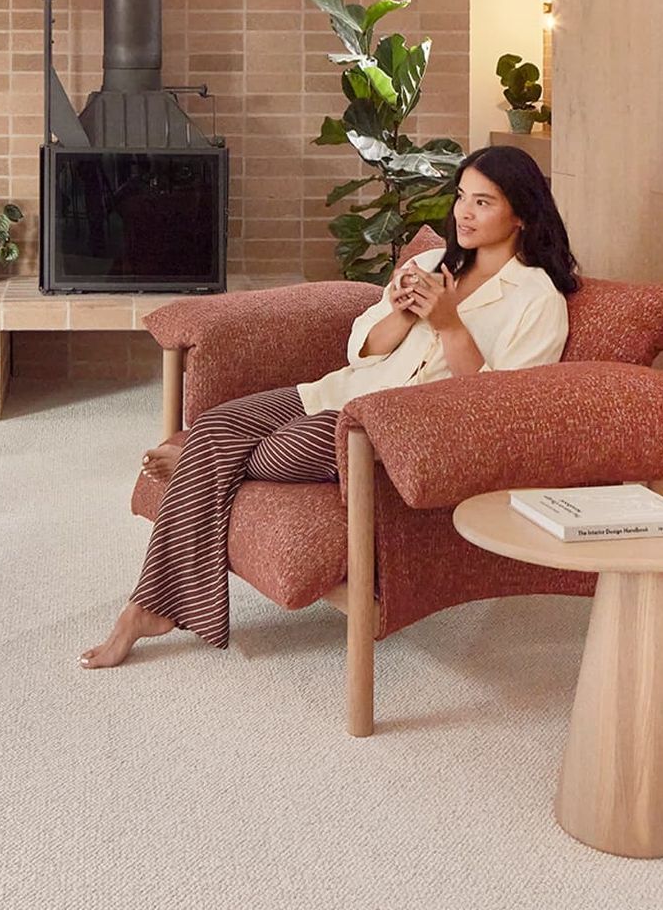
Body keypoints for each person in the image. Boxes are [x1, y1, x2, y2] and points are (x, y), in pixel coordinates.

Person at [81, 145, 582, 669]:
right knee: (217, 424)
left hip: (390, 429)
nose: (463, 213)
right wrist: (404, 315)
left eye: (483, 202)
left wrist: (450, 323)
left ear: (521, 213)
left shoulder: (538, 301)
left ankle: (188, 489)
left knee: (249, 449)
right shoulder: (431, 263)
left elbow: (500, 410)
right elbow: (361, 344)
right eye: (460, 197)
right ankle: (154, 598)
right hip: (336, 392)